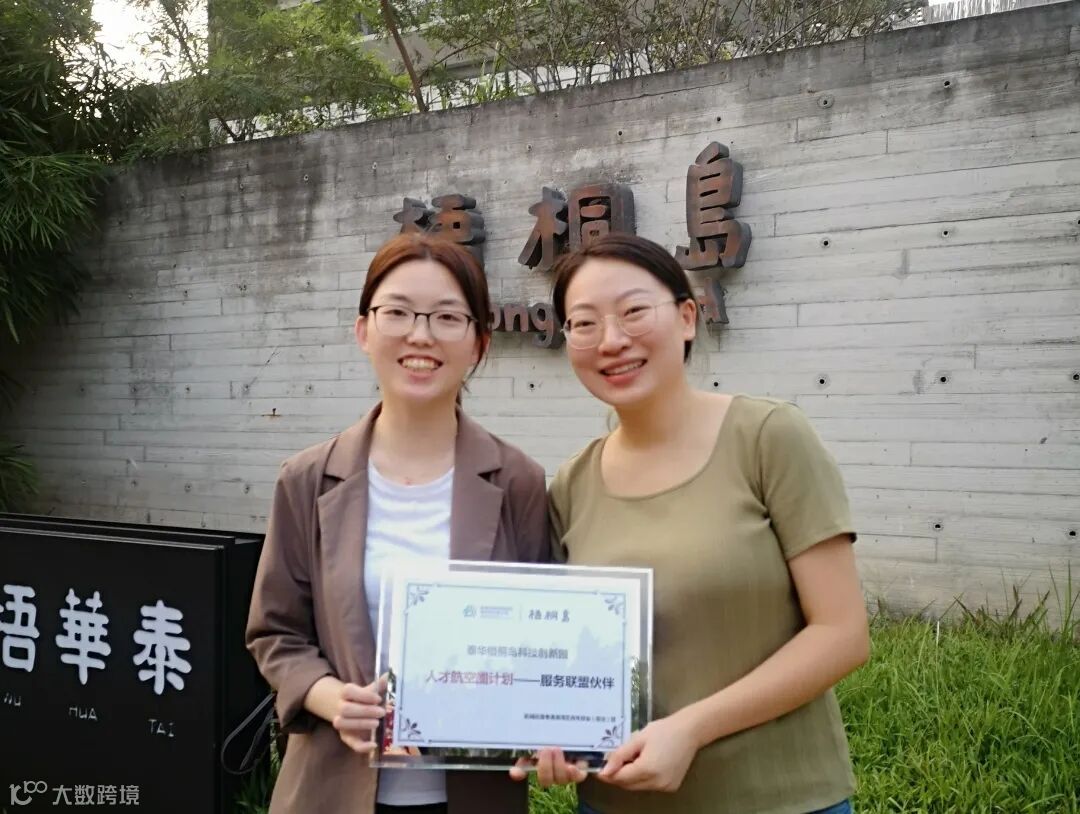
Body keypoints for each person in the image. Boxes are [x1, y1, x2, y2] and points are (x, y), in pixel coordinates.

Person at [535, 234, 869, 814]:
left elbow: (842, 634)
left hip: (781, 800)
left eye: (634, 311)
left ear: (687, 317)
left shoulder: (768, 437)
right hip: (617, 803)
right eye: (583, 323)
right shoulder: (572, 483)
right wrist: (549, 730)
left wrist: (691, 729)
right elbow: (567, 652)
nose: (611, 341)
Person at [246, 233, 549, 814]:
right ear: (364, 330)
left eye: (447, 317)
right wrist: (329, 696)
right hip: (331, 790)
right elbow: (275, 632)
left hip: (472, 794)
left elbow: (541, 638)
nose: (421, 335)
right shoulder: (307, 479)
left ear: (479, 344)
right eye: (399, 312)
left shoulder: (518, 482)